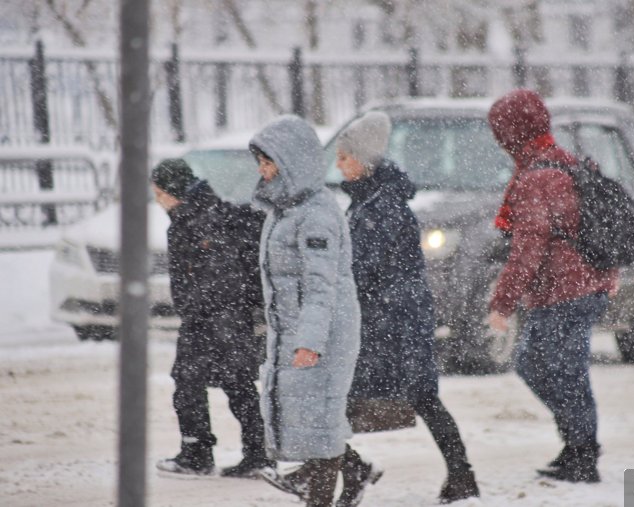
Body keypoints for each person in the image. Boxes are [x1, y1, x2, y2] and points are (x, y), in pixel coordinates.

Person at [334, 111, 480, 506]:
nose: (338, 163)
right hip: (391, 315)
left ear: (364, 161)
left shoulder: (382, 207)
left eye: (345, 157)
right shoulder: (371, 200)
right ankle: (347, 469)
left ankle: (347, 470)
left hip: (394, 319)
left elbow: (362, 269)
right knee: (411, 396)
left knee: (414, 396)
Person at [486, 90, 617, 483]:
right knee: (546, 366)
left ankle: (583, 451)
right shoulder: (561, 162)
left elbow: (528, 249)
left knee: (558, 369)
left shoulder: (537, 176)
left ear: (514, 132)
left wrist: (502, 304)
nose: (499, 141)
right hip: (576, 287)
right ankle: (577, 443)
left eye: (501, 132)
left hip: (566, 292)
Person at [249, 115, 360, 507]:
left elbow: (320, 285)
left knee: (322, 426)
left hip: (323, 333)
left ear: (292, 162)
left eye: (269, 163)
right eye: (260, 164)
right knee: (311, 423)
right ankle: (351, 476)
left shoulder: (316, 214)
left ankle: (321, 500)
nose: (263, 172)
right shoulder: (284, 210)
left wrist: (310, 340)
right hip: (296, 331)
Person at [151, 158, 271, 477]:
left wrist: (198, 310)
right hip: (220, 316)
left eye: (158, 192)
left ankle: (199, 454)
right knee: (235, 385)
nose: (156, 199)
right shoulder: (195, 215)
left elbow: (221, 275)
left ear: (172, 192)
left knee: (203, 383)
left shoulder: (200, 220)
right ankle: (254, 454)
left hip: (215, 318)